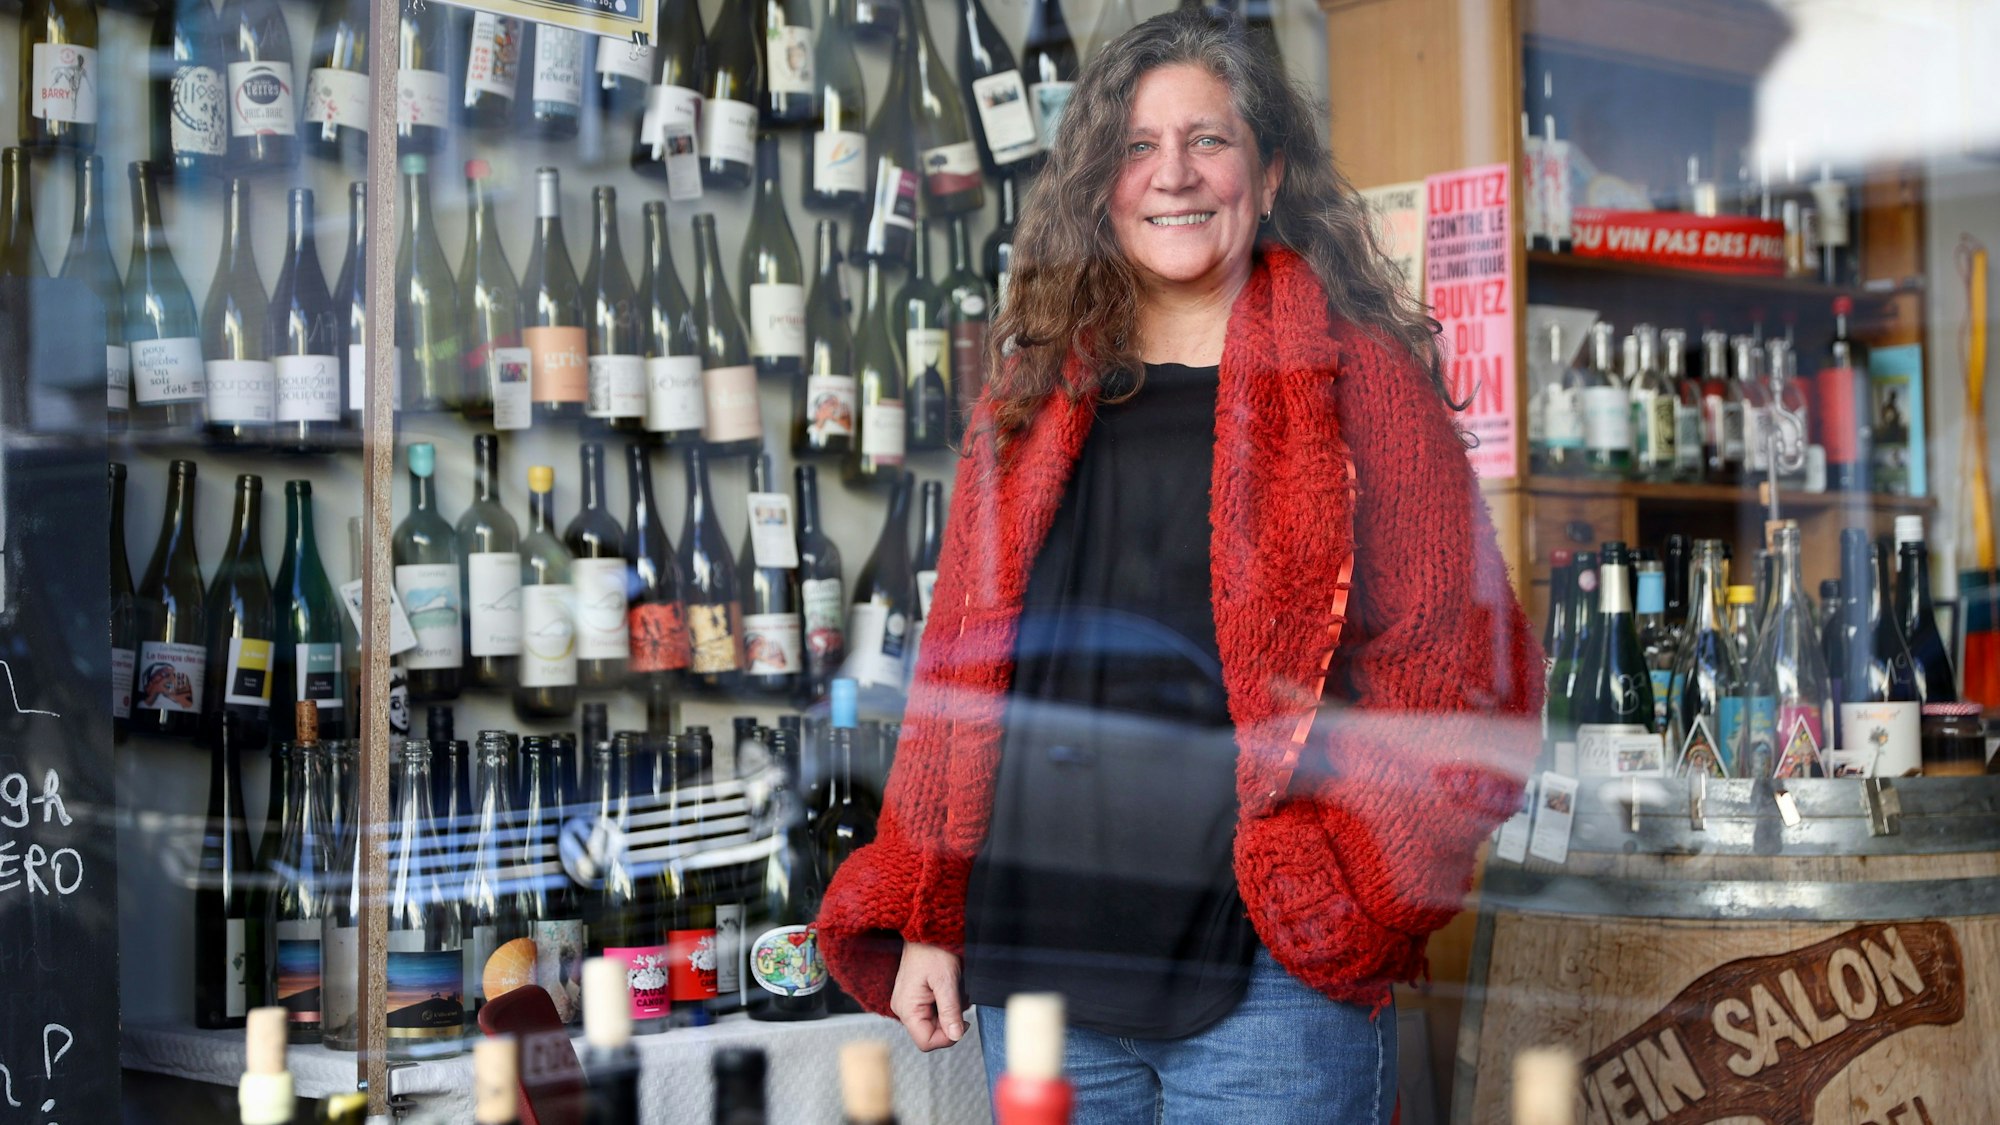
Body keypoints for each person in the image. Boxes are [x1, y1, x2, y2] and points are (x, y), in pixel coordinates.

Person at [817, 9, 1541, 1122]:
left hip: (1266, 987)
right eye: (1137, 147)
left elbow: (1458, 672)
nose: (1173, 177)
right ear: (1097, 183)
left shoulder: (1363, 386)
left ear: (1269, 171)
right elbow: (959, 683)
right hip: (1037, 979)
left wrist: (1348, 890)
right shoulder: (1026, 400)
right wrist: (928, 909)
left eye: (1207, 140)